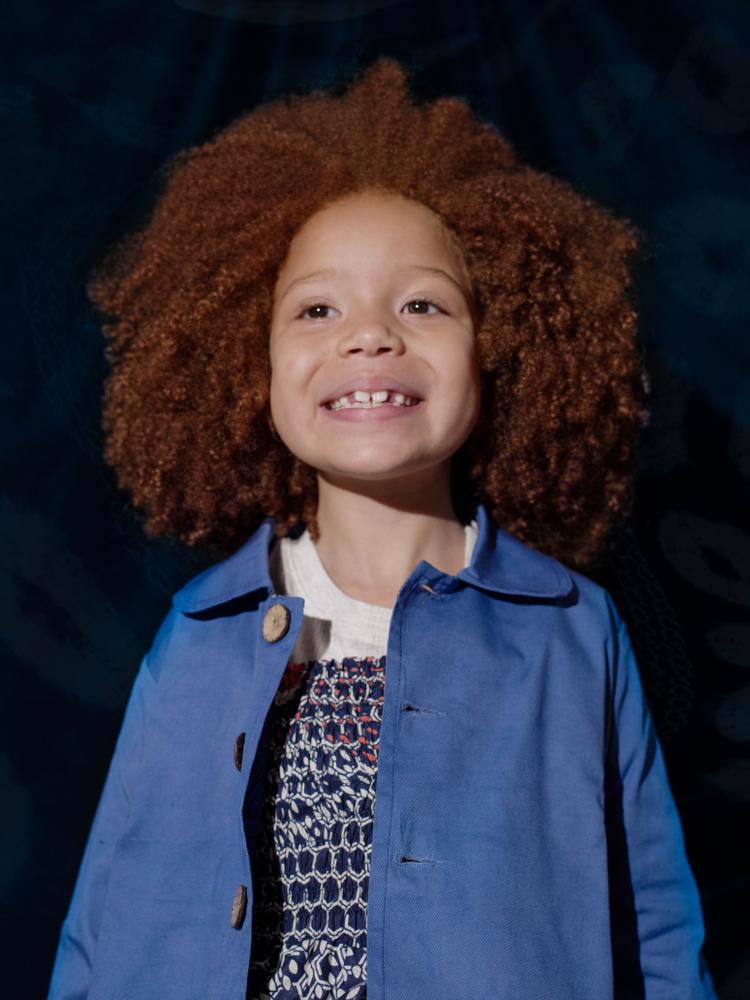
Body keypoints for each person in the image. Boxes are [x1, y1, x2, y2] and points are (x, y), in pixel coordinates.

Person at [47, 57, 718, 1000]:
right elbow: (99, 931)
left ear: (500, 352)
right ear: (251, 364)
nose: (370, 335)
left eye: (422, 304)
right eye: (317, 308)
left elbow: (658, 936)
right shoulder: (199, 630)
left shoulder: (575, 631)